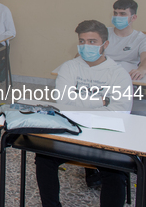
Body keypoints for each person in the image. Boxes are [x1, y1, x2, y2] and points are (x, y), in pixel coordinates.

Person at [35, 20, 133, 207]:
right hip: (71, 132)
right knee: (43, 157)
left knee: (116, 171)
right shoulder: (69, 67)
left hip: (103, 137)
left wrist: (78, 103)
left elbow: (119, 112)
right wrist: (102, 101)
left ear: (105, 44)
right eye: (82, 41)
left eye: (92, 42)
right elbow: (63, 101)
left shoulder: (119, 75)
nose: (85, 46)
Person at [104, 0, 146, 142]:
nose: (117, 17)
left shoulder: (142, 39)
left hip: (125, 92)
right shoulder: (103, 33)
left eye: (123, 14)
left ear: (133, 17)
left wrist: (142, 70)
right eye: (115, 13)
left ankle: (138, 155)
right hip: (99, 89)